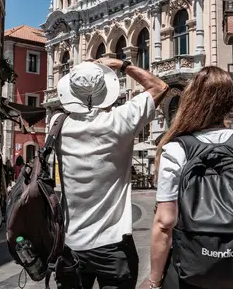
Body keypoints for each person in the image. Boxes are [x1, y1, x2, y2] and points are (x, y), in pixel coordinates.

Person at [148, 66, 233, 289]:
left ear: (189, 100)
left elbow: (164, 223)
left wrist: (155, 281)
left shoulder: (175, 150)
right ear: (229, 101)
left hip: (189, 269)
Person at [53, 57, 168, 289]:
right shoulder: (119, 121)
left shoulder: (57, 124)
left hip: (71, 245)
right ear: (105, 91)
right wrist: (122, 65)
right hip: (113, 247)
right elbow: (159, 87)